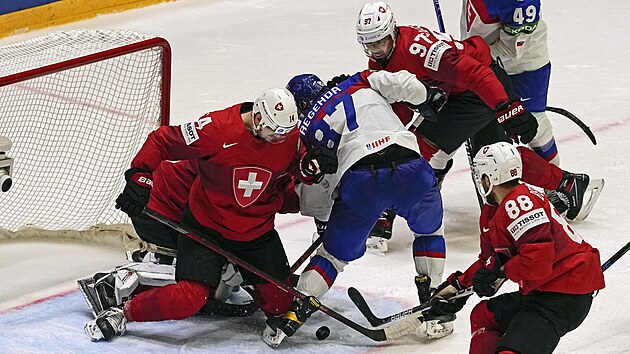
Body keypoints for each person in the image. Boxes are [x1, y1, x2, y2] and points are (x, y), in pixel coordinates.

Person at [84, 88, 302, 342]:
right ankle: (122, 311)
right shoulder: (218, 128)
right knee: (191, 299)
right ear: (257, 118)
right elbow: (163, 140)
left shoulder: (290, 136)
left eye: (285, 133)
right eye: (273, 132)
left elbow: (295, 176)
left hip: (256, 231)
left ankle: (239, 276)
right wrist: (140, 174)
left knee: (281, 305)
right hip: (206, 225)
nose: (280, 138)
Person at [354, 2, 597, 221]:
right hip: (466, 93)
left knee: (423, 147)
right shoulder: (379, 62)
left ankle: (400, 207)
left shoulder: (423, 51)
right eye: (369, 45)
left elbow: (477, 74)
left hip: (480, 90)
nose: (375, 50)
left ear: (393, 32)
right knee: (495, 157)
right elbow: (398, 106)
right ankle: (568, 183)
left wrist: (506, 106)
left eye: (380, 42)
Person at [263, 70, 450, 348]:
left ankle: (291, 316)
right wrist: (426, 97)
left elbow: (316, 195)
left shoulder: (305, 134)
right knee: (430, 232)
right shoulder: (357, 81)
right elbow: (401, 83)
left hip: (361, 183)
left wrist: (327, 224)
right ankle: (434, 302)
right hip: (411, 169)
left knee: (332, 256)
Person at [427, 142, 605, 354]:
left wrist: (500, 272)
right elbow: (491, 260)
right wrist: (457, 287)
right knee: (484, 316)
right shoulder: (497, 208)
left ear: (488, 177)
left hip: (564, 294)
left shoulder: (520, 203)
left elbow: (537, 261)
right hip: (545, 289)